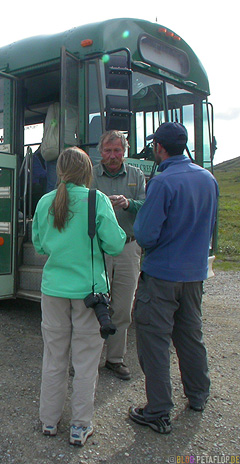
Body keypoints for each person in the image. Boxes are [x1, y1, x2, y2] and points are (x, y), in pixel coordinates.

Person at [129, 122, 219, 434]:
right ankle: (198, 395)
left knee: (154, 341)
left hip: (162, 276)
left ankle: (157, 410)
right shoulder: (208, 178)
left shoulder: (163, 182)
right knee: (190, 336)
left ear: (159, 148)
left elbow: (145, 234)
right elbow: (210, 227)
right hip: (194, 276)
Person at [32, 147, 126, 446]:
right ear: (88, 170)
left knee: (54, 357)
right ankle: (79, 426)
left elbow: (40, 246)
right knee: (85, 362)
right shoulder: (96, 200)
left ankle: (48, 421)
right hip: (89, 293)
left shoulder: (46, 201)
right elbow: (114, 245)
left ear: (59, 171)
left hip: (53, 290)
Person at [91, 130, 145, 380]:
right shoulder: (89, 174)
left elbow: (147, 206)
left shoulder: (136, 174)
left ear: (125, 151)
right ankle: (87, 358)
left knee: (122, 307)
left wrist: (129, 204)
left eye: (117, 151)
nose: (113, 156)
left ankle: (115, 359)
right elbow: (78, 203)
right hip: (97, 249)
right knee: (92, 306)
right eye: (108, 151)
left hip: (128, 248)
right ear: (100, 151)